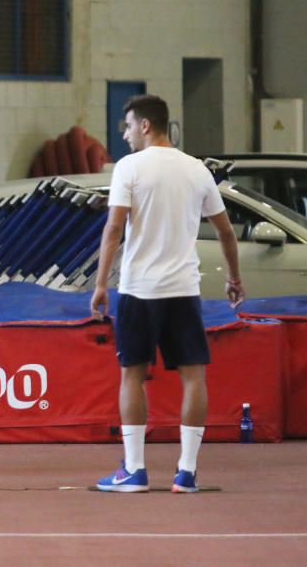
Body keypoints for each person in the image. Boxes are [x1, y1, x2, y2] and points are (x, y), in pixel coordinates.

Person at [90, 95, 245, 494]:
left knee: (132, 376)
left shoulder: (129, 168)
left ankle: (135, 470)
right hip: (183, 290)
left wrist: (100, 284)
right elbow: (226, 231)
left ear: (145, 125)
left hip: (140, 289)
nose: (124, 135)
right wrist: (234, 278)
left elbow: (113, 230)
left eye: (127, 126)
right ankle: (186, 473)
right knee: (194, 377)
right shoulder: (197, 170)